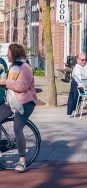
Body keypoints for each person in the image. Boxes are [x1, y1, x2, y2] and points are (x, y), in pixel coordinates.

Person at [0, 43, 37, 172]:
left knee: (17, 128)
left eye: (8, 52)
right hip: (12, 101)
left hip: (25, 102)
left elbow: (22, 86)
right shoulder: (13, 67)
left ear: (14, 53)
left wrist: (6, 82)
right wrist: (4, 83)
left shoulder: (25, 67)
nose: (6, 54)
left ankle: (22, 161)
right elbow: (11, 85)